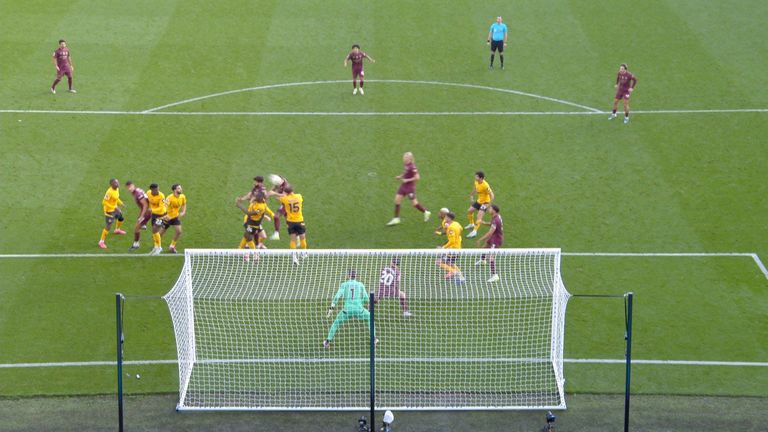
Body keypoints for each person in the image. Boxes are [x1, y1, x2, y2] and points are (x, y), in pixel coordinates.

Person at [324, 270, 378, 348]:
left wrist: (331, 308)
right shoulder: (360, 285)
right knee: (370, 318)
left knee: (336, 323)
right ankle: (374, 339)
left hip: (347, 311)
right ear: (355, 276)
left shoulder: (344, 285)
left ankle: (327, 342)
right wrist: (366, 303)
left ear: (348, 276)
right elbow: (366, 299)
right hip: (360, 310)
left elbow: (337, 296)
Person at [387, 152, 431, 226]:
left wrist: (407, 180)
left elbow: (417, 177)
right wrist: (400, 177)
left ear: (410, 159)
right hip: (403, 186)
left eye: (405, 157)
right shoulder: (406, 165)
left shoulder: (413, 167)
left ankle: (426, 212)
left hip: (410, 188)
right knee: (397, 200)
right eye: (404, 157)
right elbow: (406, 172)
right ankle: (396, 219)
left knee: (414, 203)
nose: (404, 158)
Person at [269, 185, 306, 264]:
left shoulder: (285, 199)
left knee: (293, 240)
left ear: (286, 192)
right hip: (300, 221)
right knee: (302, 238)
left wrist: (274, 192)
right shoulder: (299, 196)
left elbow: (277, 197)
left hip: (290, 222)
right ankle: (304, 253)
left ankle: (294, 257)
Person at [475, 204, 504, 282]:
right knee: (485, 248)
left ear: (494, 210)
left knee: (491, 257)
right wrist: (484, 223)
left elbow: (490, 233)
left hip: (496, 240)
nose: (488, 210)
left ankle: (495, 275)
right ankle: (483, 260)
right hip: (493, 237)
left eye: (490, 208)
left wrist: (480, 239)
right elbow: (492, 224)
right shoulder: (497, 216)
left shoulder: (495, 220)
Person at [98, 178, 126, 249]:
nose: (118, 184)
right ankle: (101, 241)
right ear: (111, 184)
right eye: (116, 183)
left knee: (121, 218)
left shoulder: (117, 189)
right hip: (109, 211)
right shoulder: (109, 192)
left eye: (118, 182)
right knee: (108, 226)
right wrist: (114, 207)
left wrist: (121, 203)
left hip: (114, 208)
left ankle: (117, 230)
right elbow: (104, 202)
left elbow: (116, 198)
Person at [436, 212, 464, 282]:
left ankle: (455, 272)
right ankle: (461, 276)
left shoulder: (451, 228)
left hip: (452, 250)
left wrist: (443, 248)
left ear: (449, 218)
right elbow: (461, 229)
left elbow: (452, 241)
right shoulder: (456, 223)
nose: (445, 218)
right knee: (450, 263)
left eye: (446, 217)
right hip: (458, 247)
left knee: (439, 262)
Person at [465, 171, 494, 238]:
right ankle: (471, 224)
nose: (475, 177)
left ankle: (474, 232)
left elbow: (492, 195)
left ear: (481, 178)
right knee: (469, 211)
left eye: (477, 176)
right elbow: (475, 188)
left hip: (485, 203)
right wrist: (471, 195)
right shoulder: (476, 182)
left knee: (479, 217)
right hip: (479, 201)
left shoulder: (485, 185)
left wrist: (489, 205)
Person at [160, 184, 187, 254]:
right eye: (179, 188)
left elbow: (184, 204)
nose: (181, 189)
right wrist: (165, 215)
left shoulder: (182, 196)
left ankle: (172, 246)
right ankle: (157, 245)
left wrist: (183, 212)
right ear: (175, 190)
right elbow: (163, 207)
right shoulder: (169, 198)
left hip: (175, 217)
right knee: (161, 233)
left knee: (179, 231)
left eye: (180, 188)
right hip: (167, 218)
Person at [125, 181, 151, 251]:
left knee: (136, 229)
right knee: (138, 225)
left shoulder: (137, 193)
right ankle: (143, 224)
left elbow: (145, 205)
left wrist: (142, 216)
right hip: (145, 211)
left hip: (146, 212)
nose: (129, 189)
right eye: (128, 187)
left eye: (130, 187)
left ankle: (136, 244)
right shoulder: (137, 190)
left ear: (133, 185)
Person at [146, 183, 167, 255]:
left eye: (158, 189)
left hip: (161, 214)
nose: (158, 191)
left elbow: (161, 207)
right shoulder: (148, 193)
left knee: (155, 230)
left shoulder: (161, 195)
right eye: (156, 190)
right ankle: (156, 246)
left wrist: (151, 210)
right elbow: (147, 201)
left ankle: (159, 247)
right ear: (151, 190)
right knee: (154, 231)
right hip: (154, 214)